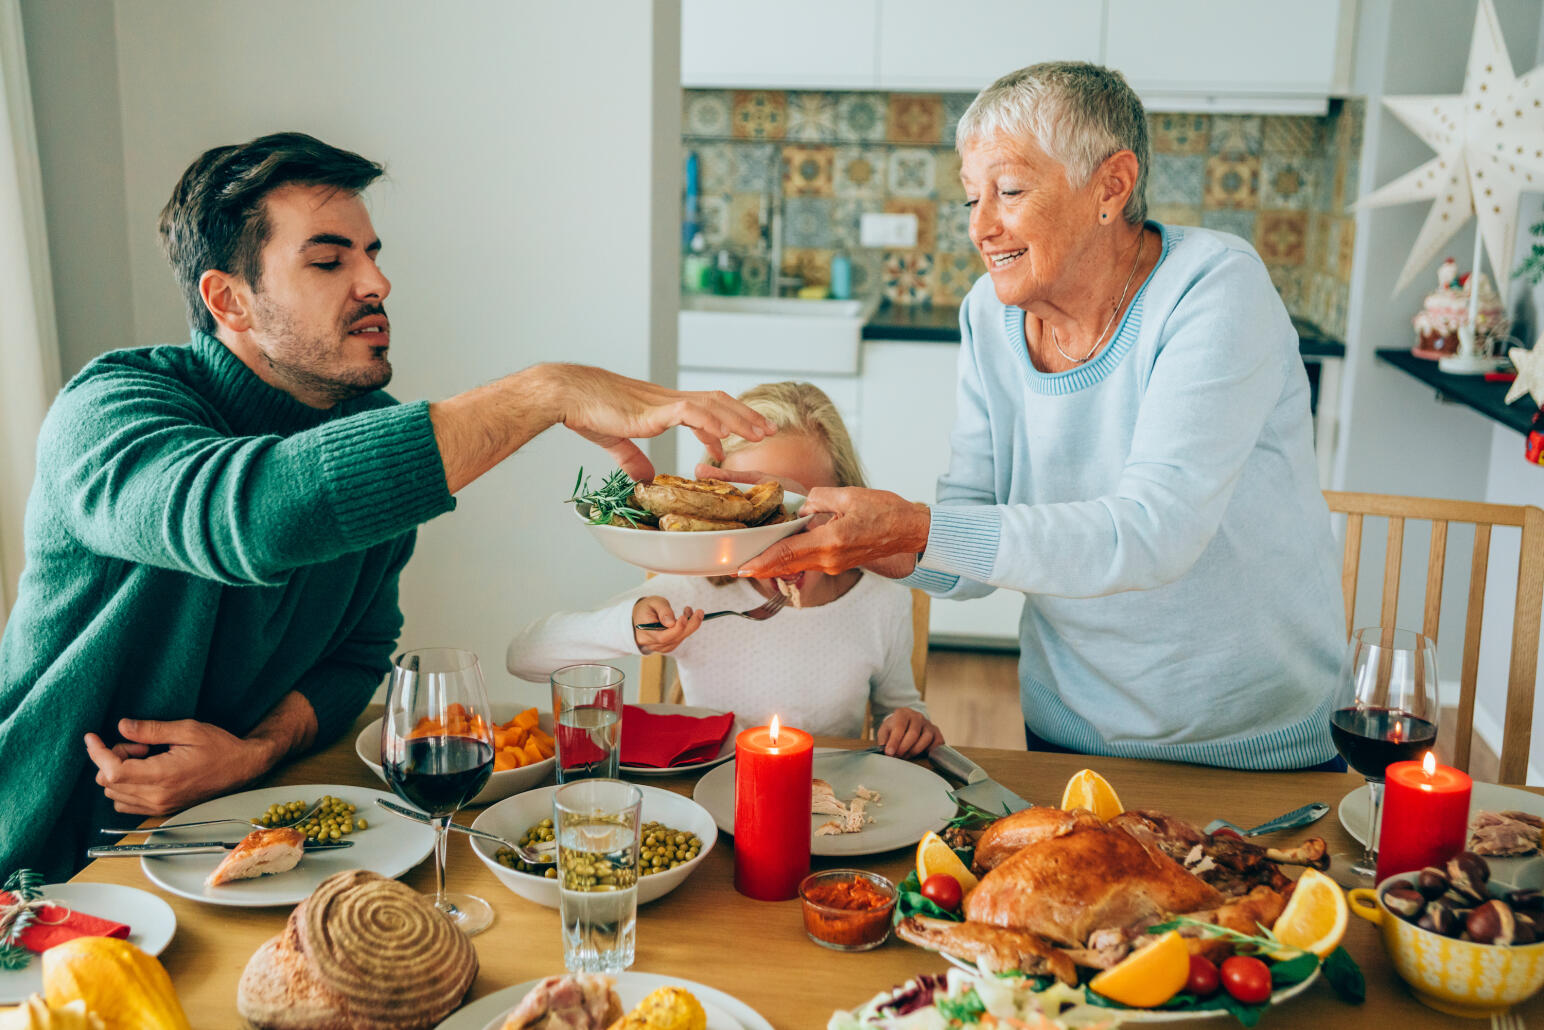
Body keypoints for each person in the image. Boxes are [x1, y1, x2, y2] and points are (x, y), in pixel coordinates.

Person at [0, 132, 774, 879]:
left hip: (232, 841)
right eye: (330, 259)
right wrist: (549, 391)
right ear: (229, 301)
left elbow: (358, 655)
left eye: (371, 254)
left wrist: (256, 753)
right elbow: (251, 517)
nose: (375, 283)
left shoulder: (369, 430)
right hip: (46, 864)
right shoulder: (109, 410)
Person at [730, 63, 1346, 771]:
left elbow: (1155, 532)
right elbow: (965, 552)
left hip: (1249, 737)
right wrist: (842, 535)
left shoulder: (1213, 288)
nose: (981, 227)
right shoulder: (989, 314)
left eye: (1010, 192)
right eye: (971, 200)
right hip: (1072, 727)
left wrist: (913, 527)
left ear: (1111, 186)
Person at [507, 381, 942, 756]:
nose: (786, 541)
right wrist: (628, 627)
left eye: (804, 512)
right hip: (709, 805)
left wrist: (909, 722)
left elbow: (899, 710)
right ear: (718, 513)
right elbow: (524, 657)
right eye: (760, 517)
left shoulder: (882, 601)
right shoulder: (692, 591)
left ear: (848, 504)